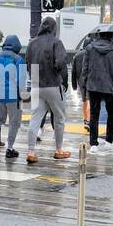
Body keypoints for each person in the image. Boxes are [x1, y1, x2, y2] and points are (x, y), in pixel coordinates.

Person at [25, 16, 72, 165]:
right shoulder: (56, 42)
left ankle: (31, 152)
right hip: (52, 84)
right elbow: (60, 62)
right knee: (59, 118)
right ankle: (58, 150)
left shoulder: (32, 43)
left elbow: (27, 63)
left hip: (36, 85)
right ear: (54, 28)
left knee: (35, 118)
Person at [74, 29, 113, 153]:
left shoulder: (90, 48)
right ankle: (110, 140)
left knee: (94, 114)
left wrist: (85, 83)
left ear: (99, 35)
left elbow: (85, 68)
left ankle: (93, 144)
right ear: (111, 36)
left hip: (93, 85)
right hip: (110, 86)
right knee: (111, 114)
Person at [0, 35, 26, 159]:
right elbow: (21, 80)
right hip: (14, 96)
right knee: (14, 122)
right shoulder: (18, 58)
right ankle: (9, 148)